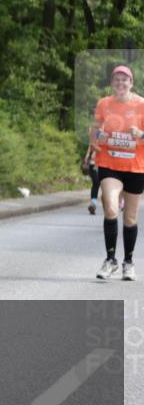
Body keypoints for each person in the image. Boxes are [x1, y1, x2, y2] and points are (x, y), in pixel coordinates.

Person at [90, 65, 144, 281]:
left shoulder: (141, 104)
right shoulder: (104, 103)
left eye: (124, 79)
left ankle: (128, 263)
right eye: (117, 79)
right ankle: (110, 260)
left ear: (131, 83)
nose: (120, 83)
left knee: (130, 217)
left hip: (135, 166)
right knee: (111, 208)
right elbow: (94, 130)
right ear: (112, 83)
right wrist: (98, 136)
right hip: (109, 162)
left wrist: (141, 135)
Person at [82, 144, 100, 214]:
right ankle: (93, 204)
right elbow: (90, 148)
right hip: (92, 164)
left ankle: (109, 205)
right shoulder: (94, 139)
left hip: (104, 164)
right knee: (96, 183)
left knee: (104, 185)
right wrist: (86, 159)